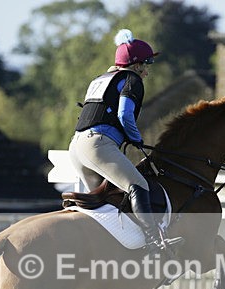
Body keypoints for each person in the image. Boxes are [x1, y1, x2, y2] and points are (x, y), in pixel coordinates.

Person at [69, 28, 161, 248]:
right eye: (146, 65)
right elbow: (124, 113)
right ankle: (154, 242)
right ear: (137, 65)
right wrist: (135, 137)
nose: (146, 72)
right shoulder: (132, 79)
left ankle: (105, 246)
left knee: (105, 201)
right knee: (137, 184)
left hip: (76, 146)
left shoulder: (101, 79)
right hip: (97, 146)